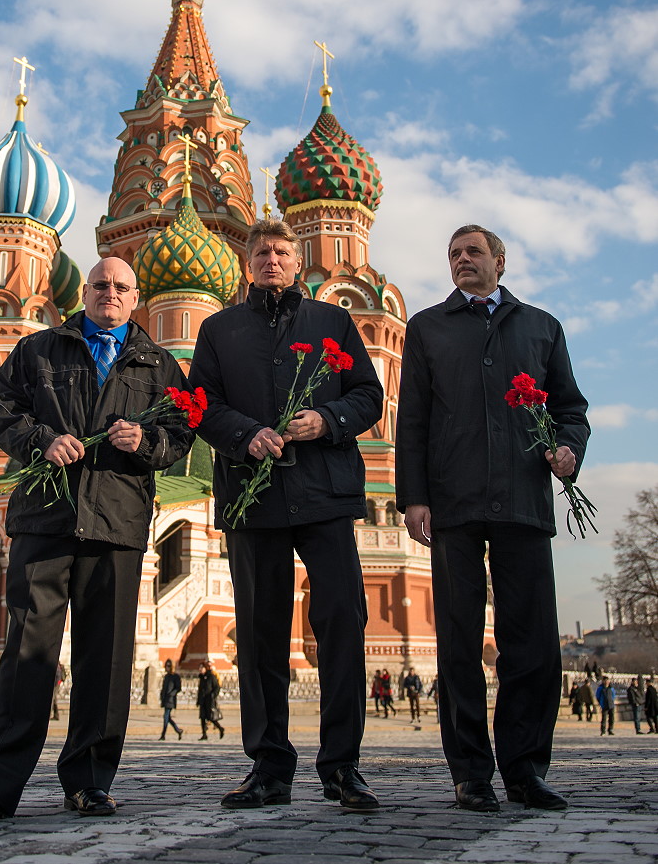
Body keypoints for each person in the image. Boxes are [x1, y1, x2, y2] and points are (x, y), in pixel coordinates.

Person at [0, 257, 195, 830]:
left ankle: (89, 782)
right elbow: (3, 411)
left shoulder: (158, 364)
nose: (111, 293)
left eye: (122, 287)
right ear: (85, 292)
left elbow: (183, 433)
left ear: (136, 297)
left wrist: (146, 441)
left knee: (105, 660)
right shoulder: (39, 349)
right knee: (27, 655)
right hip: (46, 519)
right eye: (101, 285)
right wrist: (42, 440)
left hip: (117, 522)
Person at [190, 218, 384, 813]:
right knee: (260, 632)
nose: (271, 260)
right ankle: (269, 766)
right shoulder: (220, 329)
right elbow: (200, 403)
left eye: (280, 251)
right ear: (247, 263)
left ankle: (342, 766)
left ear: (296, 261)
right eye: (261, 252)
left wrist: (327, 420)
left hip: (324, 492)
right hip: (254, 497)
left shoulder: (333, 321)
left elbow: (369, 395)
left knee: (342, 622)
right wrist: (245, 435)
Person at [396, 224, 590, 814]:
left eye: (473, 251)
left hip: (523, 500)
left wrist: (569, 450)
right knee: (459, 642)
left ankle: (526, 770)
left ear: (499, 261)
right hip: (453, 504)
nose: (462, 260)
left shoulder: (541, 326)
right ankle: (470, 773)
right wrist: (414, 497)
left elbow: (571, 408)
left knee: (531, 642)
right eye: (453, 254)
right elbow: (413, 419)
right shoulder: (428, 327)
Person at [196, 661, 224, 740]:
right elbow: (200, 690)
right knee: (202, 717)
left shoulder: (211, 676)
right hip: (203, 700)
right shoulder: (201, 678)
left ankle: (220, 728)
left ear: (206, 668)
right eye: (199, 668)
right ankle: (204, 734)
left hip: (209, 700)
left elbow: (217, 687)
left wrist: (213, 695)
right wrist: (198, 700)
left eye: (202, 667)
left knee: (210, 717)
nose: (200, 669)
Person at [159, 659, 183, 740]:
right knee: (168, 718)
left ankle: (163, 734)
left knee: (166, 717)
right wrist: (162, 695)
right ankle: (178, 730)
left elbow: (178, 688)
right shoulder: (166, 676)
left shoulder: (175, 676)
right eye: (166, 666)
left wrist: (171, 694)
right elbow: (164, 688)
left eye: (169, 666)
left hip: (171, 699)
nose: (167, 667)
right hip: (165, 699)